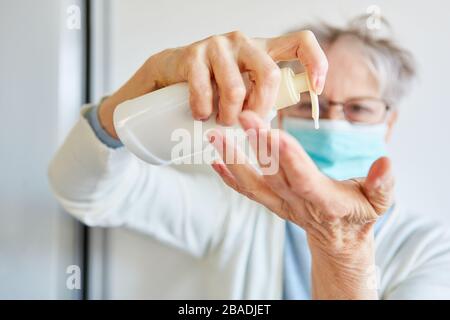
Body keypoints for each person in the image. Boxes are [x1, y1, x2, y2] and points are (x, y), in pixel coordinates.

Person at [48, 16, 450, 299]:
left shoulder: (432, 251)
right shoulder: (236, 211)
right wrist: (144, 86)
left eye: (358, 109)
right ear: (278, 109)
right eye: (313, 103)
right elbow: (83, 192)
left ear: (389, 123)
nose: (331, 121)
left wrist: (340, 247)